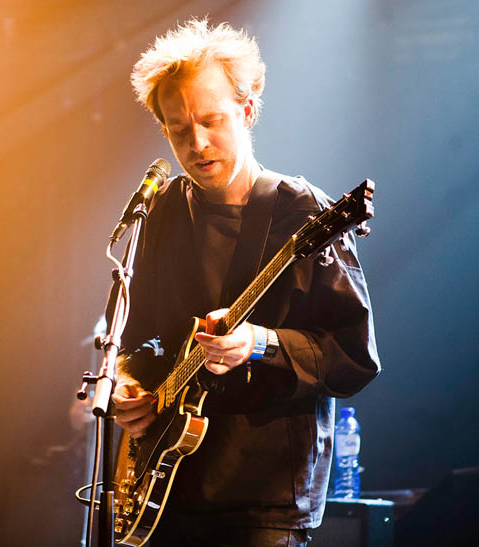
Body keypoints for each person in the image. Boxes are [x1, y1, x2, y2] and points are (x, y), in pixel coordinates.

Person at [112, 18, 380, 546]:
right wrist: (129, 379)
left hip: (266, 498)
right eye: (179, 130)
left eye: (212, 121)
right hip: (168, 489)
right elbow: (146, 333)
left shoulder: (304, 213)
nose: (197, 143)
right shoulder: (162, 213)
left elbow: (353, 355)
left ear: (248, 110)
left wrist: (259, 345)